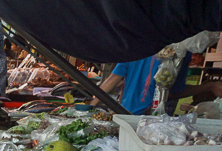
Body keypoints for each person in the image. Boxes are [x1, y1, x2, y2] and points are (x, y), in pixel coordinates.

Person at [92, 53, 222, 114]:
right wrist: (208, 86)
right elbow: (172, 93)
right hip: (153, 117)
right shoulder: (180, 54)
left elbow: (111, 80)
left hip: (126, 113)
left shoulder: (136, 49)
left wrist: (91, 106)